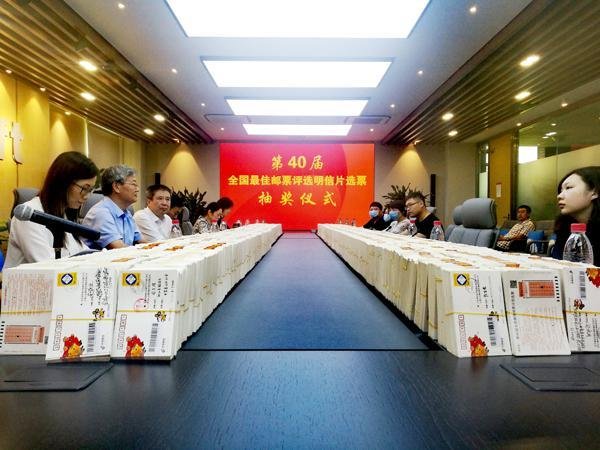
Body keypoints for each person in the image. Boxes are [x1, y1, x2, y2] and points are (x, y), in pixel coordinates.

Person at [5, 151, 98, 268]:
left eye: (91, 190)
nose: (87, 196)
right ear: (63, 183)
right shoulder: (30, 217)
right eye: (84, 188)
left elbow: (84, 254)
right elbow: (47, 265)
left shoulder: (63, 214)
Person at [83, 164, 145, 249]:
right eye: (134, 184)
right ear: (116, 187)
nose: (137, 189)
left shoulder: (126, 213)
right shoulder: (101, 213)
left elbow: (142, 242)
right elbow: (119, 249)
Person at [552, 166, 600, 266]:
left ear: (594, 192)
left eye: (568, 188)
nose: (559, 196)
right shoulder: (565, 228)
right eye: (561, 190)